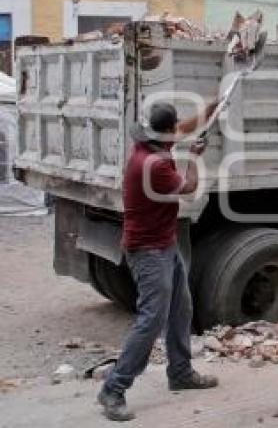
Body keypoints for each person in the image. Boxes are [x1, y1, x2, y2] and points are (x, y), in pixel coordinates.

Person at [98, 101, 219, 422]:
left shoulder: (151, 142)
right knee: (151, 320)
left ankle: (180, 372)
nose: (176, 134)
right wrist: (193, 158)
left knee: (181, 308)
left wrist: (214, 104)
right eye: (173, 130)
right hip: (148, 250)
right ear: (163, 133)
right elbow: (190, 189)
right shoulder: (152, 164)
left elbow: (186, 126)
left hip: (164, 244)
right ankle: (113, 388)